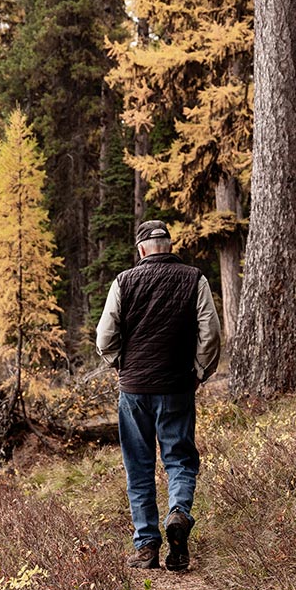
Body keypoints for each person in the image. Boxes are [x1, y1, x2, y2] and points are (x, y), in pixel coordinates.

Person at [96, 220, 222, 571]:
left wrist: (120, 365)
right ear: (168, 246)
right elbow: (210, 333)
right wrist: (199, 372)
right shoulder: (194, 278)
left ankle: (146, 546)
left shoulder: (123, 281)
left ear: (140, 250)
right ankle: (179, 512)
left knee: (138, 466)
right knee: (179, 460)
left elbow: (104, 338)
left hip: (134, 391)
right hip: (177, 388)